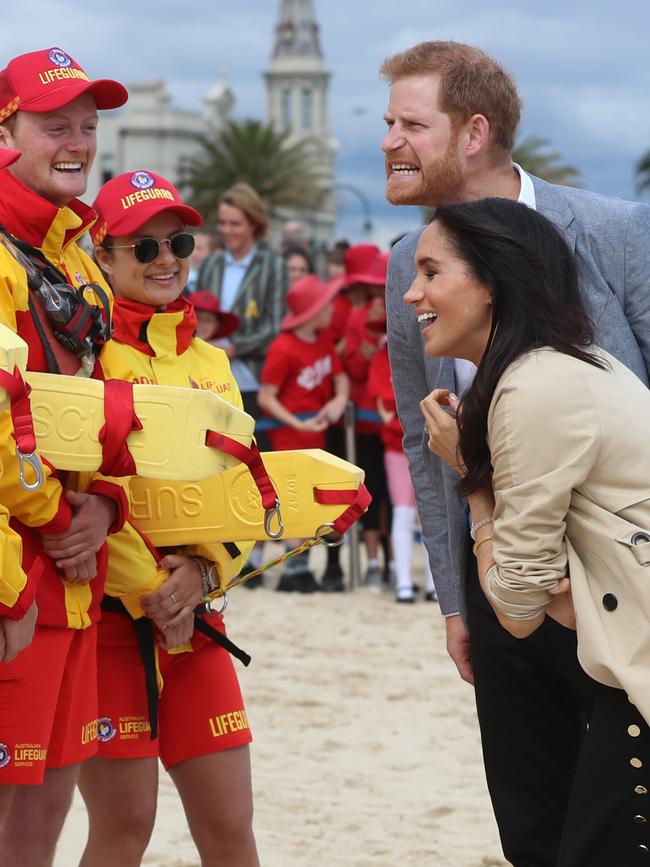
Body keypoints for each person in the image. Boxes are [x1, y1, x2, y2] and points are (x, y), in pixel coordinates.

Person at [381, 40, 650, 865]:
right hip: (500, 576)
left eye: (409, 123)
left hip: (622, 584)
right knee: (532, 828)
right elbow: (425, 448)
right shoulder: (404, 266)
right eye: (388, 121)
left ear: (474, 131)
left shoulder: (607, 226)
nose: (387, 140)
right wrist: (455, 602)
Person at [80, 170, 259, 867]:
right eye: (143, 245)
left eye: (178, 241)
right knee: (124, 829)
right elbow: (84, 491)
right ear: (103, 253)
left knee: (231, 831)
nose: (166, 259)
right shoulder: (87, 354)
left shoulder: (213, 358)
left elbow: (250, 487)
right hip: (113, 627)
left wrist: (207, 566)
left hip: (201, 620)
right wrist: (154, 588)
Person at [0, 47, 130, 866]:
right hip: (17, 566)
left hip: (75, 568)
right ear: (6, 131)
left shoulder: (83, 257)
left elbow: (122, 410)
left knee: (42, 816)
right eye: (55, 125)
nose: (78, 141)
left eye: (88, 125)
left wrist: (104, 505)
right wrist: (59, 516)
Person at [258, 274, 349, 593]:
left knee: (310, 500)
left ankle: (301, 567)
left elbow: (340, 378)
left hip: (316, 432)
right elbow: (266, 396)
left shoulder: (323, 338)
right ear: (312, 310)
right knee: (292, 499)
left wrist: (338, 400)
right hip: (290, 435)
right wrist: (297, 424)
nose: (331, 309)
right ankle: (293, 569)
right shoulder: (283, 348)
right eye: (325, 304)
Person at [367, 309, 437, 604]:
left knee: (432, 513)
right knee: (404, 512)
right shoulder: (383, 358)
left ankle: (434, 584)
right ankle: (405, 583)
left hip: (434, 442)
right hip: (399, 444)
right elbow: (385, 406)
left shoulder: (435, 347)